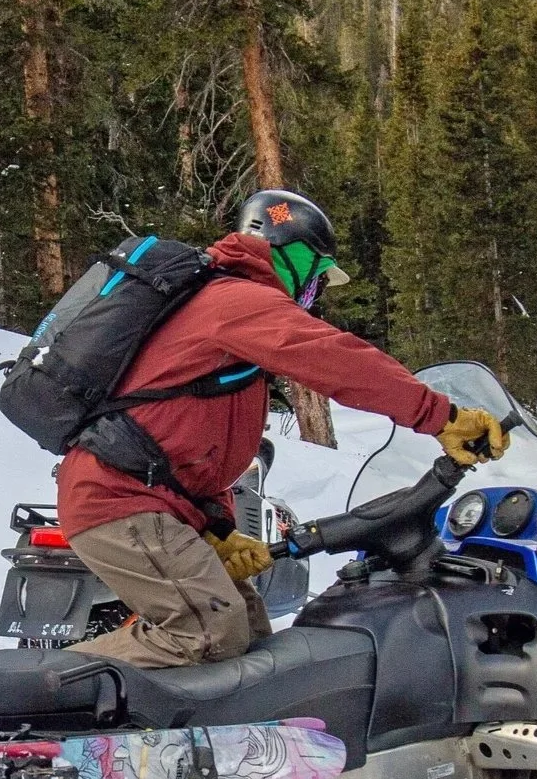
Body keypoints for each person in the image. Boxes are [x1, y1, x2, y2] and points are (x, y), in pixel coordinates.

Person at [58, 189, 507, 669]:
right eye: (314, 279)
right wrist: (443, 417)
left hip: (149, 500)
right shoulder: (236, 299)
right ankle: (19, 692)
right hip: (121, 502)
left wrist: (217, 527)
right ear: (292, 256)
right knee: (208, 635)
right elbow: (337, 361)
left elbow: (187, 441)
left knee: (247, 637)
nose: (312, 296)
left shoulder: (221, 304)